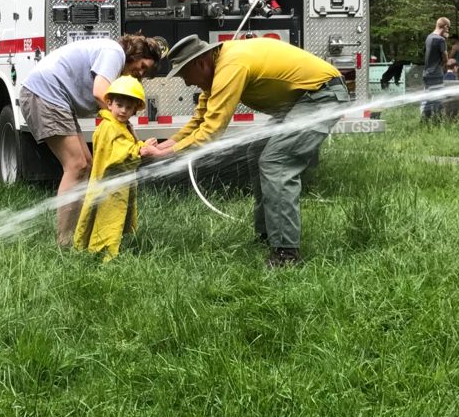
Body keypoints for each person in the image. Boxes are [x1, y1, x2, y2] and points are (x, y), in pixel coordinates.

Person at [147, 35, 348, 267]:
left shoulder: (231, 65)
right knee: (257, 152)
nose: (187, 83)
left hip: (321, 96)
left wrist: (168, 155)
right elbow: (199, 121)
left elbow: (211, 131)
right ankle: (268, 234)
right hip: (302, 100)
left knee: (277, 161)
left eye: (185, 75)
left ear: (200, 63)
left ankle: (286, 253)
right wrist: (164, 146)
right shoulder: (217, 68)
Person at [17, 33, 164, 247]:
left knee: (86, 165)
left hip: (57, 100)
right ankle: (64, 242)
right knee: (76, 166)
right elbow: (99, 92)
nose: (141, 73)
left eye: (146, 71)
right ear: (134, 53)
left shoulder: (114, 60)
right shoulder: (115, 53)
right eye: (142, 65)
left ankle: (79, 233)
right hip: (44, 95)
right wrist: (125, 128)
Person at [72, 76, 149, 260]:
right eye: (119, 104)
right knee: (109, 218)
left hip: (116, 185)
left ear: (135, 109)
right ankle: (106, 258)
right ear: (109, 103)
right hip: (109, 187)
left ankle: (95, 251)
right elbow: (117, 155)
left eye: (129, 107)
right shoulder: (108, 127)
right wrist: (140, 150)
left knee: (109, 217)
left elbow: (125, 145)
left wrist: (142, 146)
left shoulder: (120, 125)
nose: (123, 110)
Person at [421, 17, 451, 123]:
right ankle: (437, 123)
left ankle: (424, 122)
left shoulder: (429, 37)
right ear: (445, 26)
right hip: (436, 74)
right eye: (448, 28)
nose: (448, 31)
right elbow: (445, 58)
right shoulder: (441, 40)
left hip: (427, 73)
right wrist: (445, 40)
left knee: (429, 98)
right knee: (437, 100)